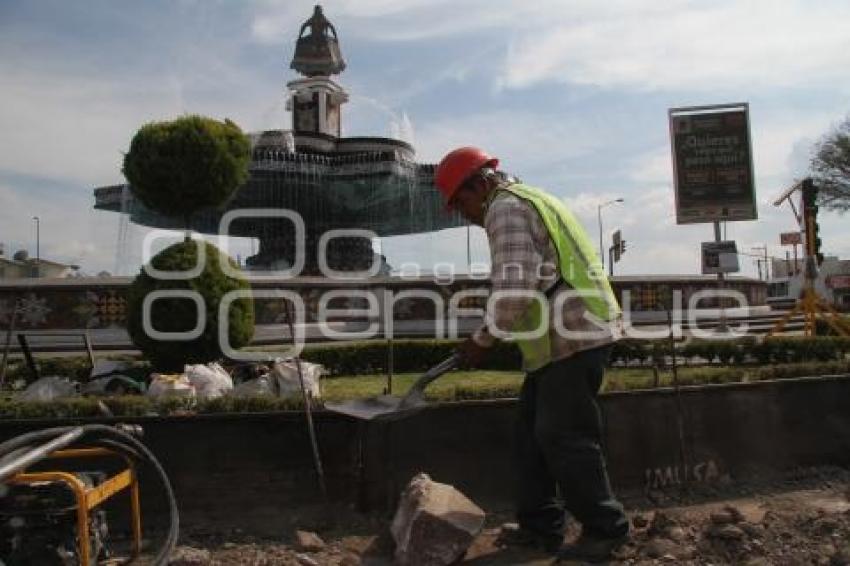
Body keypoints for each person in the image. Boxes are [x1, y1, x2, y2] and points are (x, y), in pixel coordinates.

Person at [434, 147, 630, 562]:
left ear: (480, 184)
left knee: (565, 436)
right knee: (530, 438)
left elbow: (515, 287)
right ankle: (539, 529)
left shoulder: (504, 210)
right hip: (562, 339)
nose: (462, 214)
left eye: (460, 202)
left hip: (574, 335)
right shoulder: (533, 197)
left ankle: (605, 530)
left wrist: (482, 339)